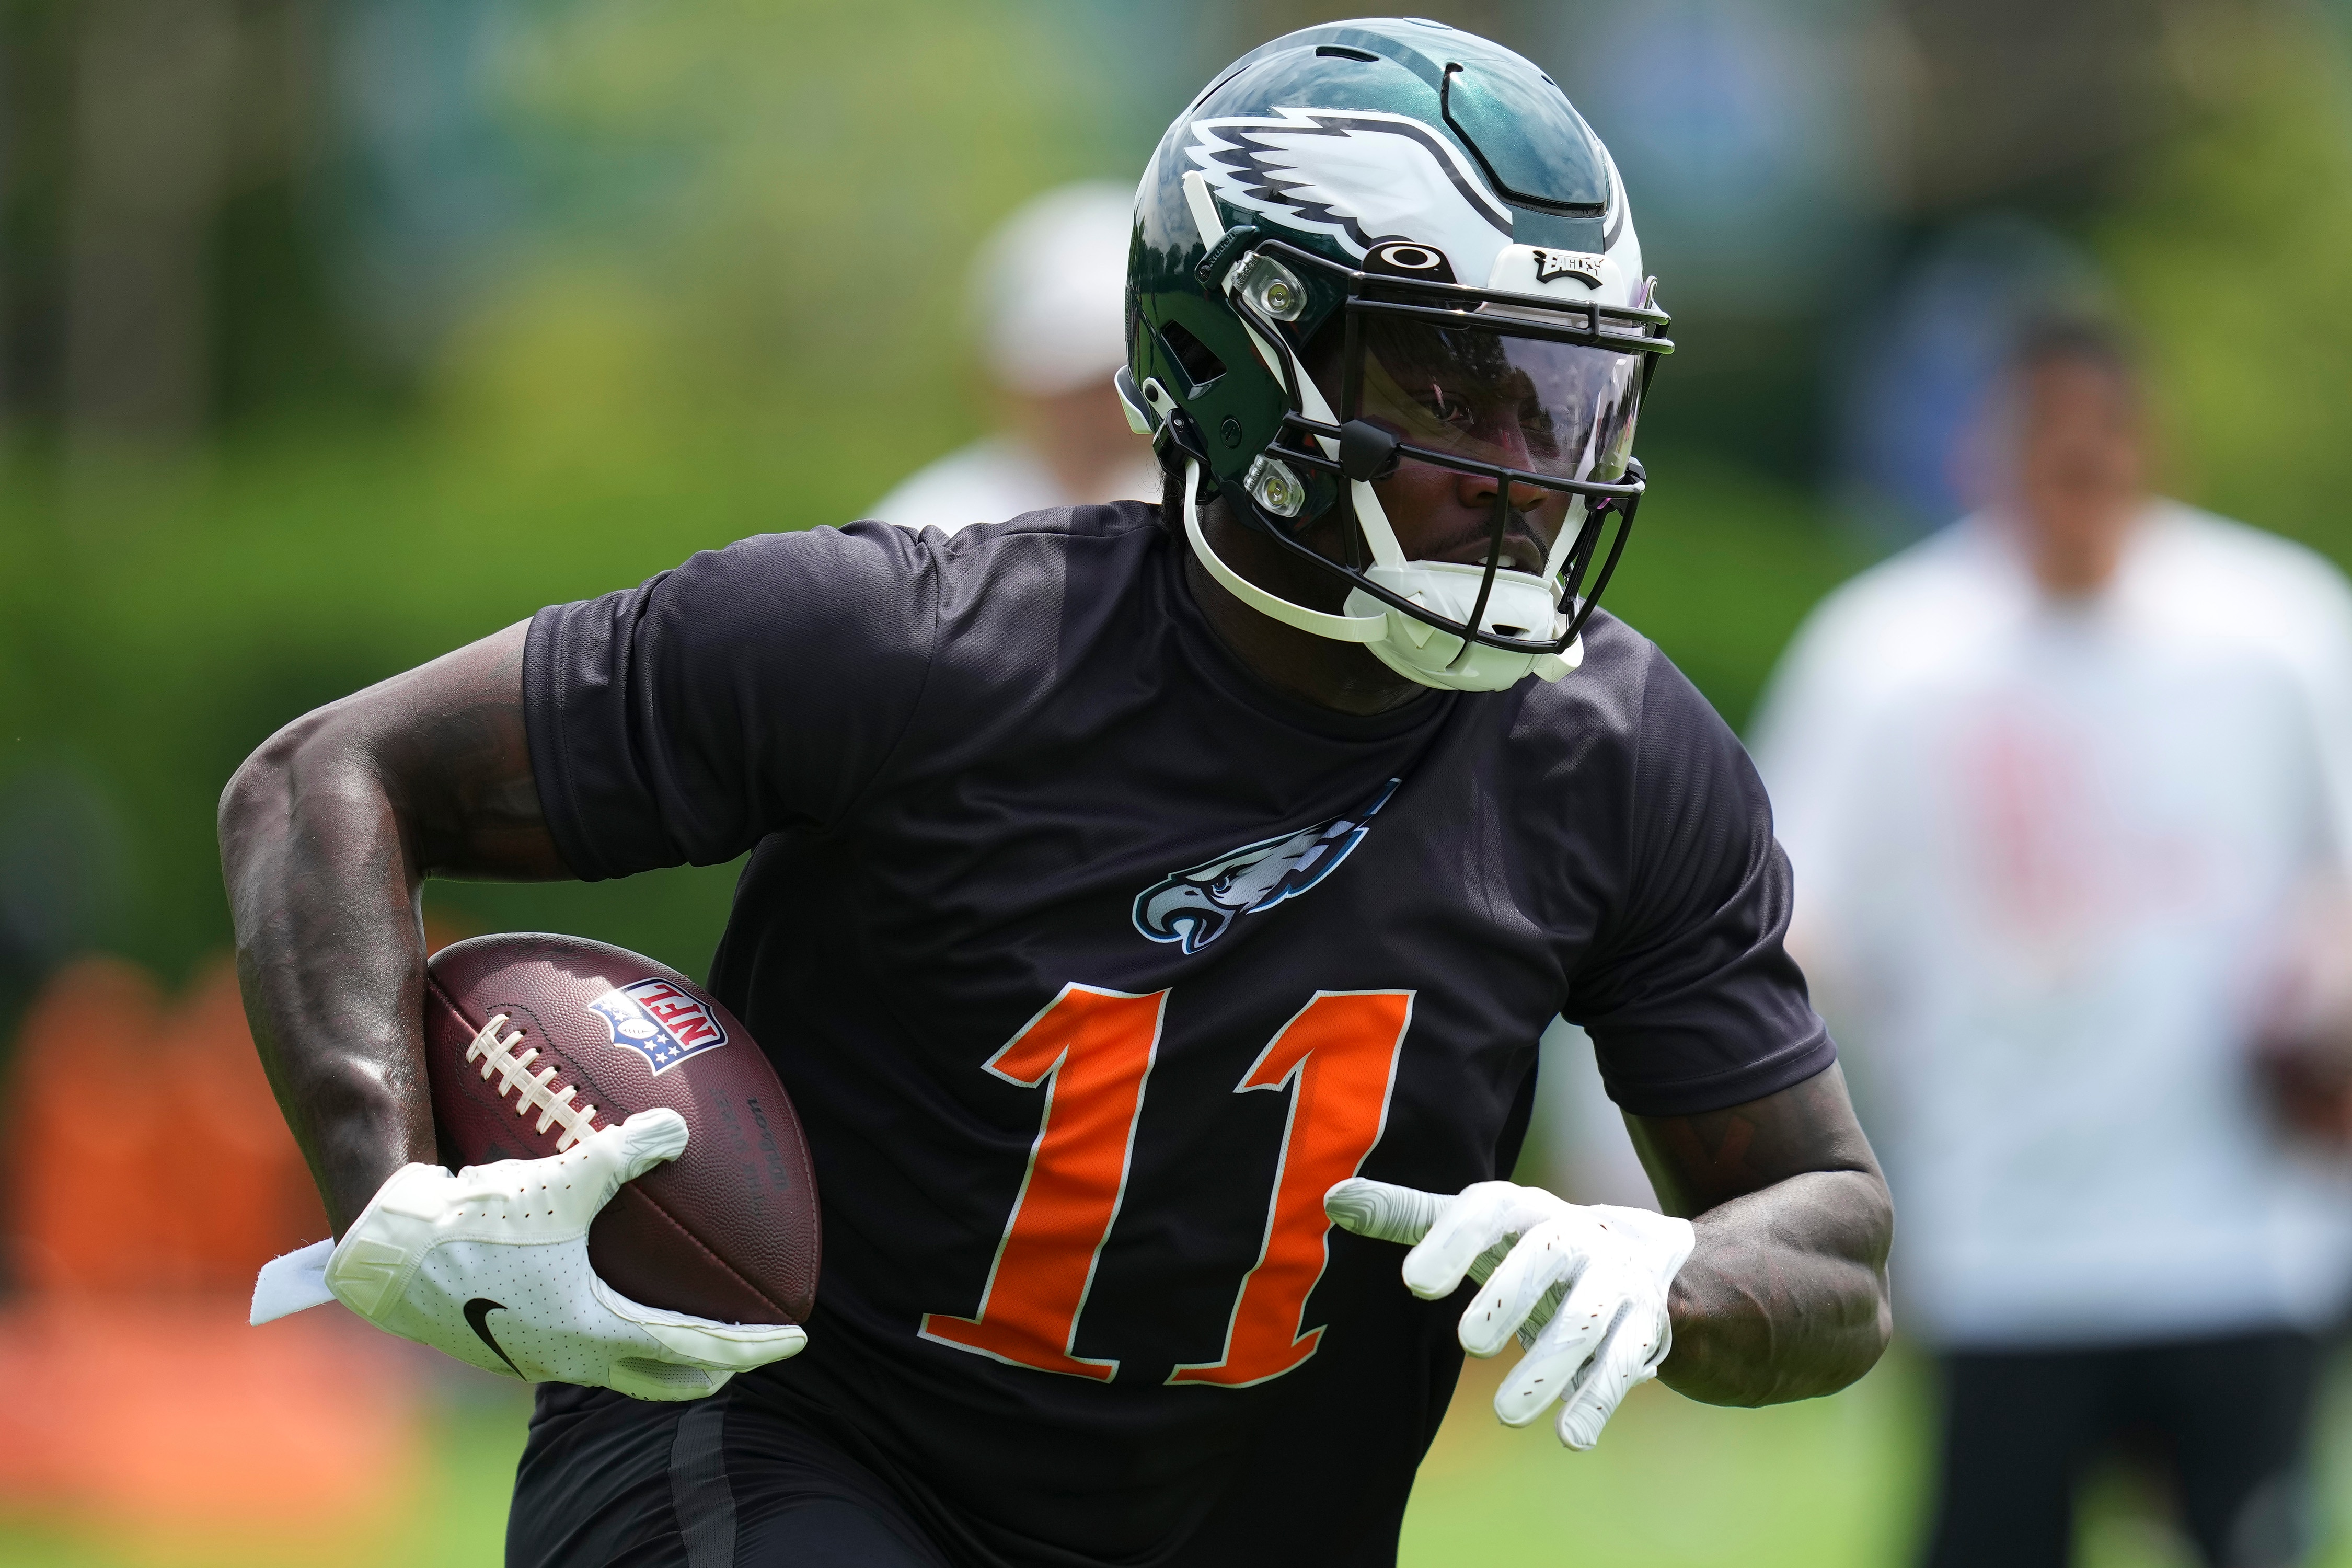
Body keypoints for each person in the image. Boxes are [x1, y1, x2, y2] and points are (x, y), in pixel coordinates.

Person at [222, 20, 1893, 1567]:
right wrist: (395, 1190)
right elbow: (327, 777)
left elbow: (1829, 1237)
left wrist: (1680, 1272)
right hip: (789, 1448)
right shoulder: (905, 644)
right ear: (1241, 368)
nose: (1526, 472)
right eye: (1456, 391)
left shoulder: (1617, 750)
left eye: (1564, 393)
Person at [1751, 315, 2352, 1568]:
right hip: (2003, 1236)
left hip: (2235, 1233)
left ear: (2149, 447)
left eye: (2104, 444)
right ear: (1990, 454)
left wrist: (2319, 988)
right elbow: (1781, 920)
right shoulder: (1889, 656)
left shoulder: (2277, 630)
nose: (2078, 480)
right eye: (2047, 446)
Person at [867, 182, 1161, 534]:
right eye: (1074, 385)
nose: (1101, 410)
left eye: (1112, 378)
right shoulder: (930, 530)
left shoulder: (1210, 520)